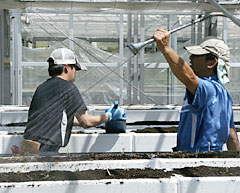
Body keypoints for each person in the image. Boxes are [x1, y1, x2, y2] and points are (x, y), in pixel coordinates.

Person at [14, 48, 122, 156]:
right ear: (66, 68)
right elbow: (86, 122)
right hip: (46, 151)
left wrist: (98, 122)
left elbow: (57, 117)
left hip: (29, 147)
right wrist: (109, 116)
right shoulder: (68, 88)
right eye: (74, 68)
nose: (75, 72)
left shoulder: (42, 87)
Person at [152, 29, 239, 152]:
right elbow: (231, 133)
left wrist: (166, 48)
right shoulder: (223, 94)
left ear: (211, 63)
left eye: (197, 56)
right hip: (212, 157)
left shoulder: (209, 89)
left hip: (199, 156)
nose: (191, 58)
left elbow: (189, 78)